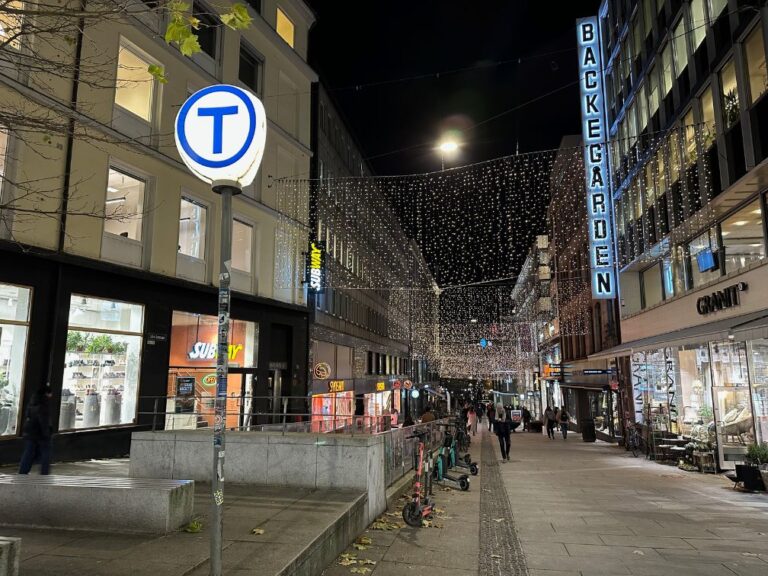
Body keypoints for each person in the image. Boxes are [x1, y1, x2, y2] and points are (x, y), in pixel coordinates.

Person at [19, 385, 53, 475]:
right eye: (50, 394)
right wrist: (47, 433)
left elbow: (28, 416)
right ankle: (44, 473)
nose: (51, 396)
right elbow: (43, 420)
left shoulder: (32, 402)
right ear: (46, 394)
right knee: (46, 452)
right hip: (40, 433)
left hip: (30, 431)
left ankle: (23, 471)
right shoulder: (44, 404)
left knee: (28, 452)